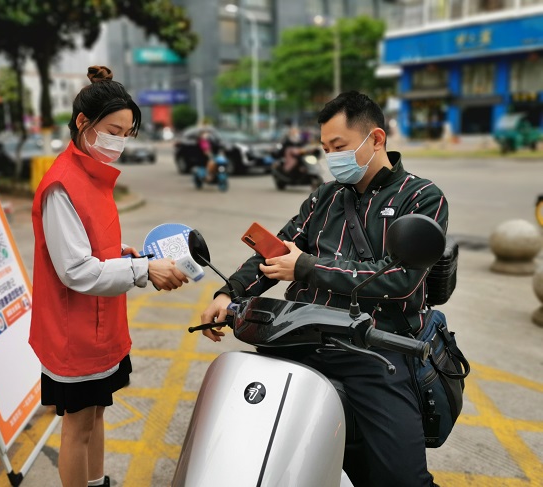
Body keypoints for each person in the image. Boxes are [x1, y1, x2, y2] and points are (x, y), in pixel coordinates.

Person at [200, 91, 447, 487]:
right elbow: (275, 251)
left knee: (402, 478)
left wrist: (307, 267)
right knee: (246, 443)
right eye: (326, 148)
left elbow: (400, 279)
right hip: (299, 337)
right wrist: (229, 293)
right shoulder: (325, 197)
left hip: (374, 349)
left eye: (339, 146)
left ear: (376, 139)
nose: (332, 156)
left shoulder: (421, 197)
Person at [29, 65, 188, 487]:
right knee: (78, 427)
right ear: (83, 122)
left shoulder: (91, 174)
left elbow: (89, 246)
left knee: (97, 415)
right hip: (75, 332)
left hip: (100, 325)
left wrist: (121, 254)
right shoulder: (62, 185)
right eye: (112, 131)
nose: (119, 141)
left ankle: (97, 481)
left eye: (126, 133)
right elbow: (75, 269)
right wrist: (143, 269)